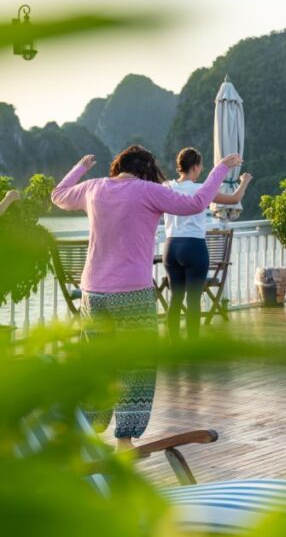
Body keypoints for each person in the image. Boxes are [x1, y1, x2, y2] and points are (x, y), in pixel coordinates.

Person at [51, 145, 241, 449]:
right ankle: (124, 441)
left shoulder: (93, 188)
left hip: (92, 293)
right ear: (145, 169)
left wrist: (81, 166)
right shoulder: (147, 190)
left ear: (119, 166)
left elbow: (58, 195)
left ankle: (86, 430)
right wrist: (220, 168)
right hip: (131, 294)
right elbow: (197, 202)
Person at [163, 147, 252, 341]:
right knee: (193, 300)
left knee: (175, 299)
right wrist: (244, 181)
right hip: (194, 247)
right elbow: (234, 199)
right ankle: (193, 344)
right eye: (201, 165)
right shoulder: (202, 190)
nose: (202, 169)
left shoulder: (166, 187)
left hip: (171, 247)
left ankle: (174, 344)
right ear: (195, 167)